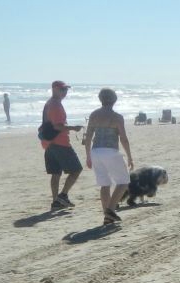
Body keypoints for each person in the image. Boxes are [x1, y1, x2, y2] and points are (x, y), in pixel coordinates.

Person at [82, 88, 134, 226]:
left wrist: (88, 156)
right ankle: (110, 210)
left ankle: (107, 218)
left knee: (104, 184)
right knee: (123, 181)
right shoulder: (117, 117)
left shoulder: (94, 115)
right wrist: (129, 156)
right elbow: (123, 138)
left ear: (101, 99)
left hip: (96, 151)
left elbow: (88, 137)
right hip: (110, 151)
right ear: (114, 100)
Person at [41, 80, 84, 210]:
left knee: (56, 173)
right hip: (60, 143)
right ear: (54, 89)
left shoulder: (49, 103)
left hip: (48, 143)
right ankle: (63, 195)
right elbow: (58, 126)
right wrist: (74, 128)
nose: (65, 92)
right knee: (76, 170)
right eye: (62, 89)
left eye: (66, 90)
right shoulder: (55, 105)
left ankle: (56, 201)